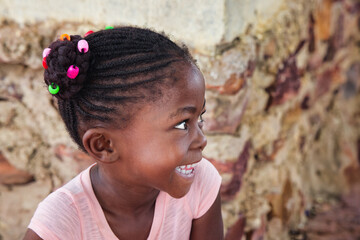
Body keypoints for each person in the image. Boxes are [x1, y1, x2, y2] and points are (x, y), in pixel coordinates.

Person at [23, 26, 223, 240]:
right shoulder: (60, 224)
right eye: (182, 124)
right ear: (104, 145)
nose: (202, 140)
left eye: (199, 117)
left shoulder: (200, 182)